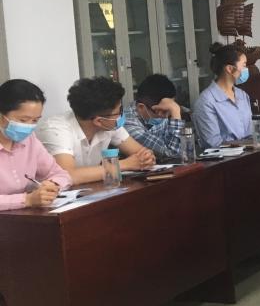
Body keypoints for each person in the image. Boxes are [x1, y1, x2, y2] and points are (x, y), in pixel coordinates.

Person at [37, 77, 156, 185]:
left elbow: (140, 153)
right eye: (119, 111)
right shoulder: (56, 129)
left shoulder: (109, 124)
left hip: (88, 191)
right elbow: (69, 175)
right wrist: (124, 164)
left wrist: (146, 158)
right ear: (99, 121)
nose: (121, 115)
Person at [0, 79, 72, 210]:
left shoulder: (29, 140)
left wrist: (52, 186)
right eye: (23, 120)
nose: (29, 126)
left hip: (26, 216)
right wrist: (27, 200)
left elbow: (60, 174)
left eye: (35, 120)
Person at [191, 43, 253, 148]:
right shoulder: (206, 102)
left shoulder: (242, 95)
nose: (246, 69)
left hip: (250, 153)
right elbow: (213, 143)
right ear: (230, 69)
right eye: (244, 65)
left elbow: (250, 133)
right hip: (226, 157)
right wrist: (246, 145)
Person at [123, 74, 185, 160]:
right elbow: (173, 153)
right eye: (163, 111)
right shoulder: (127, 124)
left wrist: (173, 109)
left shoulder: (159, 112)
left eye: (169, 109)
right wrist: (175, 110)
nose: (165, 116)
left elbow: (183, 149)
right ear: (141, 107)